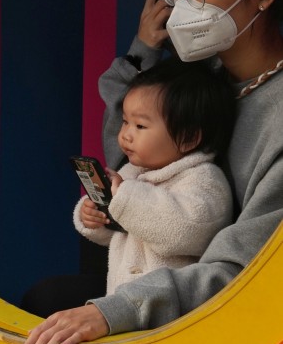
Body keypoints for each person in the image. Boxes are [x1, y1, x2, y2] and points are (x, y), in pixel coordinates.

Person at [25, 0, 283, 344]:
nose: (183, 7)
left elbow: (241, 273)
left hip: (225, 332)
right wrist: (146, 47)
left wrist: (114, 311)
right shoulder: (203, 71)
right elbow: (131, 156)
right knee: (45, 302)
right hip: (152, 282)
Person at [73, 60, 234, 296]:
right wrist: (94, 217)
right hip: (123, 302)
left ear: (188, 138)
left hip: (172, 312)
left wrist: (124, 198)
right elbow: (123, 230)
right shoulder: (132, 172)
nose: (126, 134)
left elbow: (184, 229)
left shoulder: (205, 179)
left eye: (140, 125)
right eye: (125, 121)